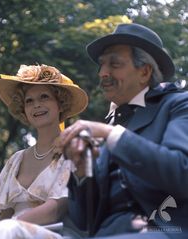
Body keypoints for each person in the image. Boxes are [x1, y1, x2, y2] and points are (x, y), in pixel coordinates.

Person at [55, 23, 188, 239]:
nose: (103, 73)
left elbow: (182, 172)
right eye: (102, 65)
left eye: (114, 64)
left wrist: (111, 134)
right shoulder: (109, 124)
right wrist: (81, 170)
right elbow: (82, 221)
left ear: (144, 72)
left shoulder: (178, 105)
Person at [0, 64, 88, 239]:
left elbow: (56, 210)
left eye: (44, 97)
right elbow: (4, 217)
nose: (36, 105)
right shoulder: (15, 160)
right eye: (29, 101)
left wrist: (11, 226)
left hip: (55, 232)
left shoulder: (74, 150)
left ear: (60, 104)